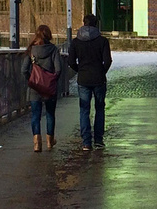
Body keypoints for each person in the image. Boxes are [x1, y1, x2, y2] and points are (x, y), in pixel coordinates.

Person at [67, 12, 112, 151]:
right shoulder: (102, 41)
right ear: (96, 24)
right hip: (98, 78)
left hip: (84, 79)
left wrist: (80, 70)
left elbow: (70, 61)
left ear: (83, 23)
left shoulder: (76, 42)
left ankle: (86, 141)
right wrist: (101, 71)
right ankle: (98, 140)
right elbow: (108, 60)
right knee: (99, 109)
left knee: (84, 110)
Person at [23, 24, 61, 152]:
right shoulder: (53, 50)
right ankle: (50, 142)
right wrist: (52, 81)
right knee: (50, 114)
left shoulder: (32, 50)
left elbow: (23, 70)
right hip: (49, 89)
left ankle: (37, 144)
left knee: (35, 115)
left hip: (35, 88)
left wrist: (32, 80)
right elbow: (59, 69)